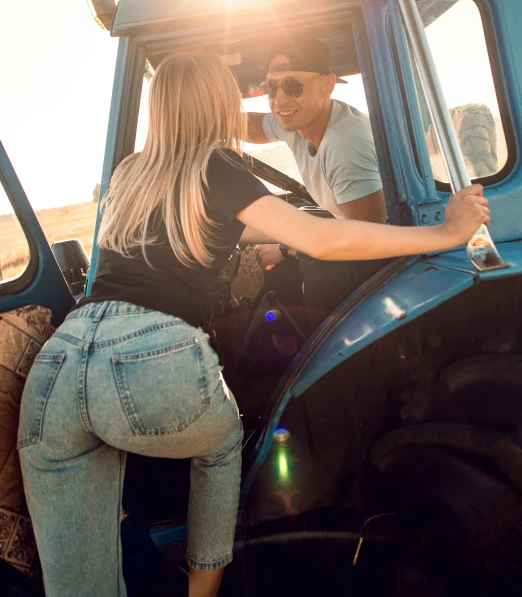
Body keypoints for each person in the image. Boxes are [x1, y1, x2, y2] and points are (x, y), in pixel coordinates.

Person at [18, 51, 489, 597]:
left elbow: (193, 235)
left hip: (60, 364)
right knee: (220, 448)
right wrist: (445, 235)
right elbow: (326, 239)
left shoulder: (129, 174)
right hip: (149, 357)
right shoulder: (218, 168)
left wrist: (269, 238)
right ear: (218, 103)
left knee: (78, 585)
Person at [246, 34, 388, 333]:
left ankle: (327, 364)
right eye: (271, 87)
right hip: (354, 228)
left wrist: (286, 247)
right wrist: (199, 119)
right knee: (299, 216)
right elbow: (253, 127)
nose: (279, 98)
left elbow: (365, 238)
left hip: (385, 247)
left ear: (327, 85)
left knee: (321, 279)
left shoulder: (343, 143)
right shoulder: (299, 120)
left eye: (293, 85)